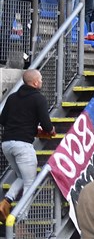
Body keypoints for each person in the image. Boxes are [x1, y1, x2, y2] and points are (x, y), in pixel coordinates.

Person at [0, 69, 55, 220]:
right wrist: (50, 130)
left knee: (21, 176)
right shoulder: (39, 99)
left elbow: (3, 120)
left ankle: (6, 201)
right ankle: (21, 219)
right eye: (41, 80)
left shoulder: (12, 98)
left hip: (6, 144)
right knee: (30, 182)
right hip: (23, 145)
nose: (42, 82)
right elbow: (46, 124)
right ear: (35, 82)